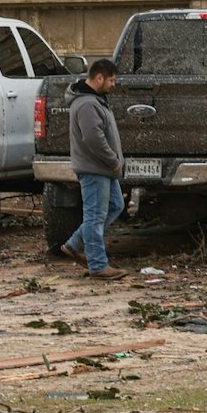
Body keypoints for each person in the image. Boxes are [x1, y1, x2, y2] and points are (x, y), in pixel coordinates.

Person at [62, 59, 127, 280]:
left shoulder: (95, 100)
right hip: (95, 168)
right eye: (111, 80)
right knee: (95, 216)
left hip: (103, 169)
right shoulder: (87, 104)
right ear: (99, 78)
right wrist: (112, 160)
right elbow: (93, 138)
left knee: (115, 205)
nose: (113, 84)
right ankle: (98, 265)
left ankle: (74, 244)